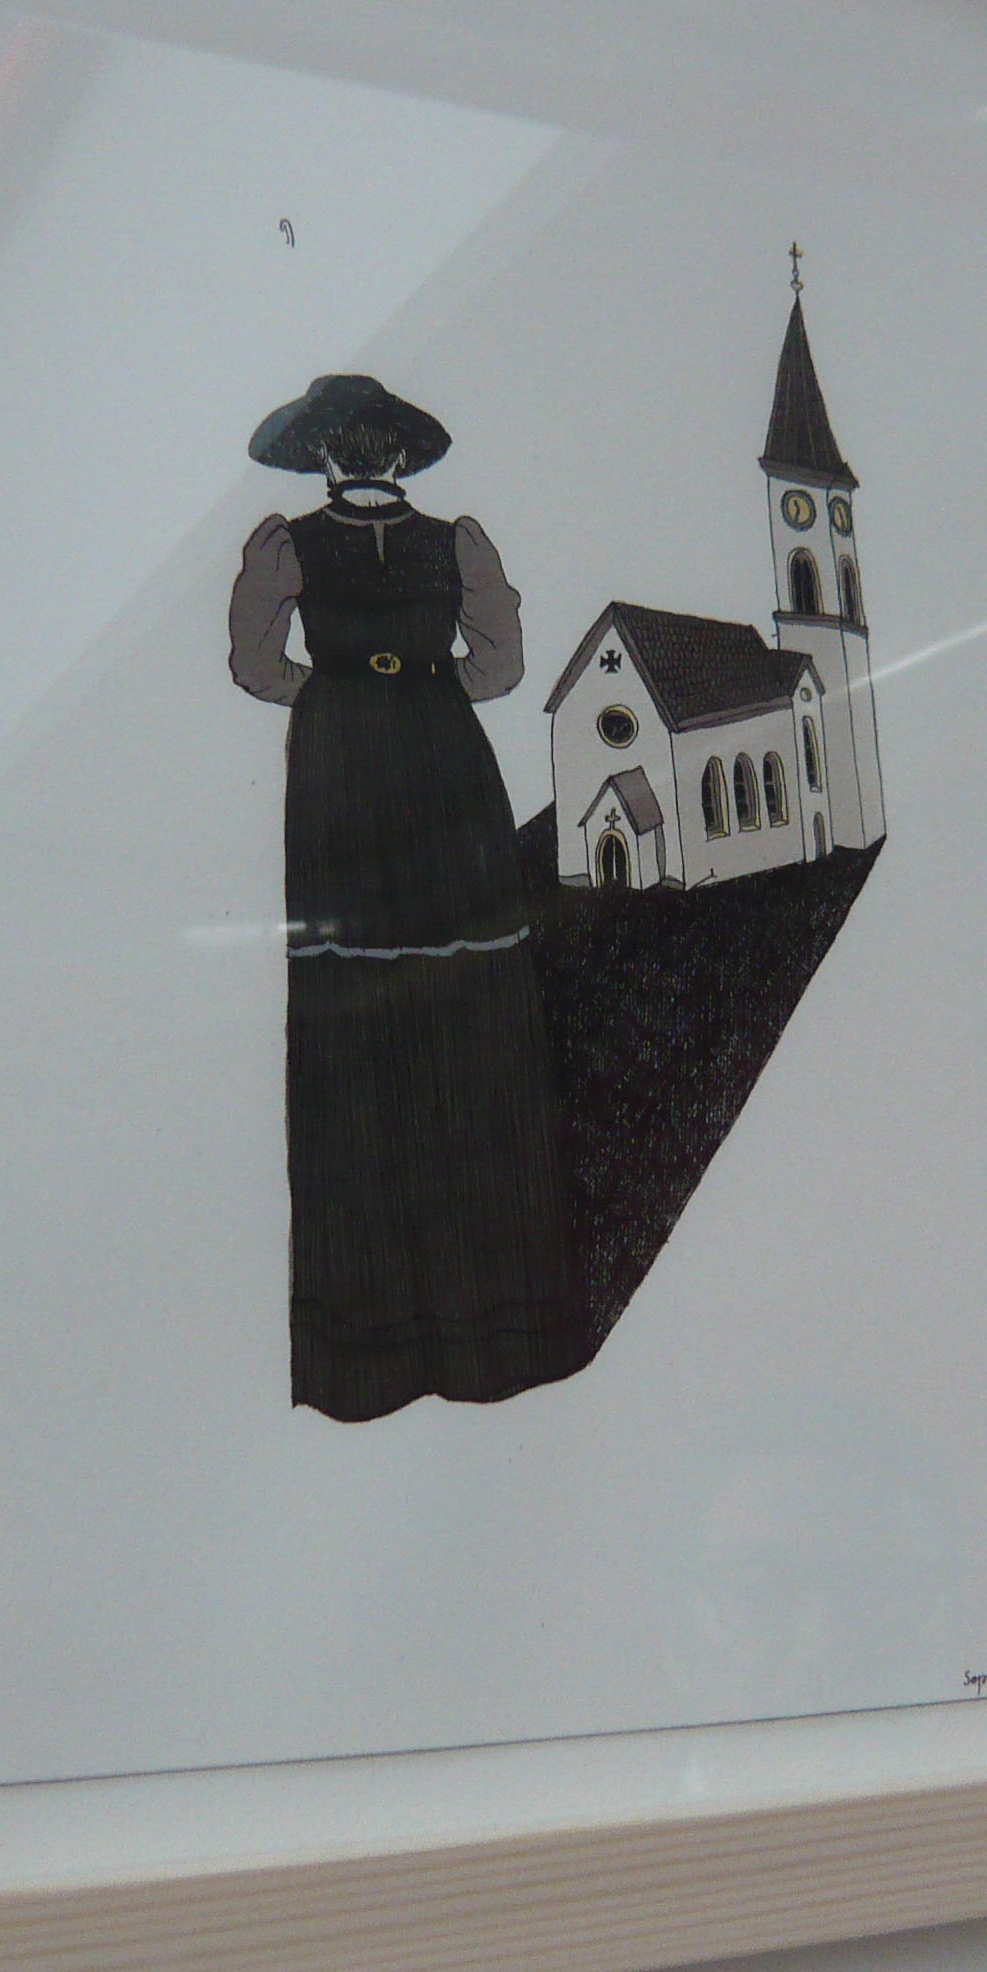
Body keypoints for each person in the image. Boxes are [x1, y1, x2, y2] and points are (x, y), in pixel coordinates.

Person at [229, 374, 589, 1420]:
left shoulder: (339, 546)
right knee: (417, 1003)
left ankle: (432, 1339)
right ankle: (442, 1335)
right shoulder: (403, 545)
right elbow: (496, 667)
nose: (359, 459)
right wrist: (414, 692)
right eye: (357, 445)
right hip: (422, 754)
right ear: (374, 459)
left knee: (418, 1005)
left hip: (356, 759)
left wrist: (341, 697)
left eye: (359, 445)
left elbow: (260, 669)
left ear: (341, 459)